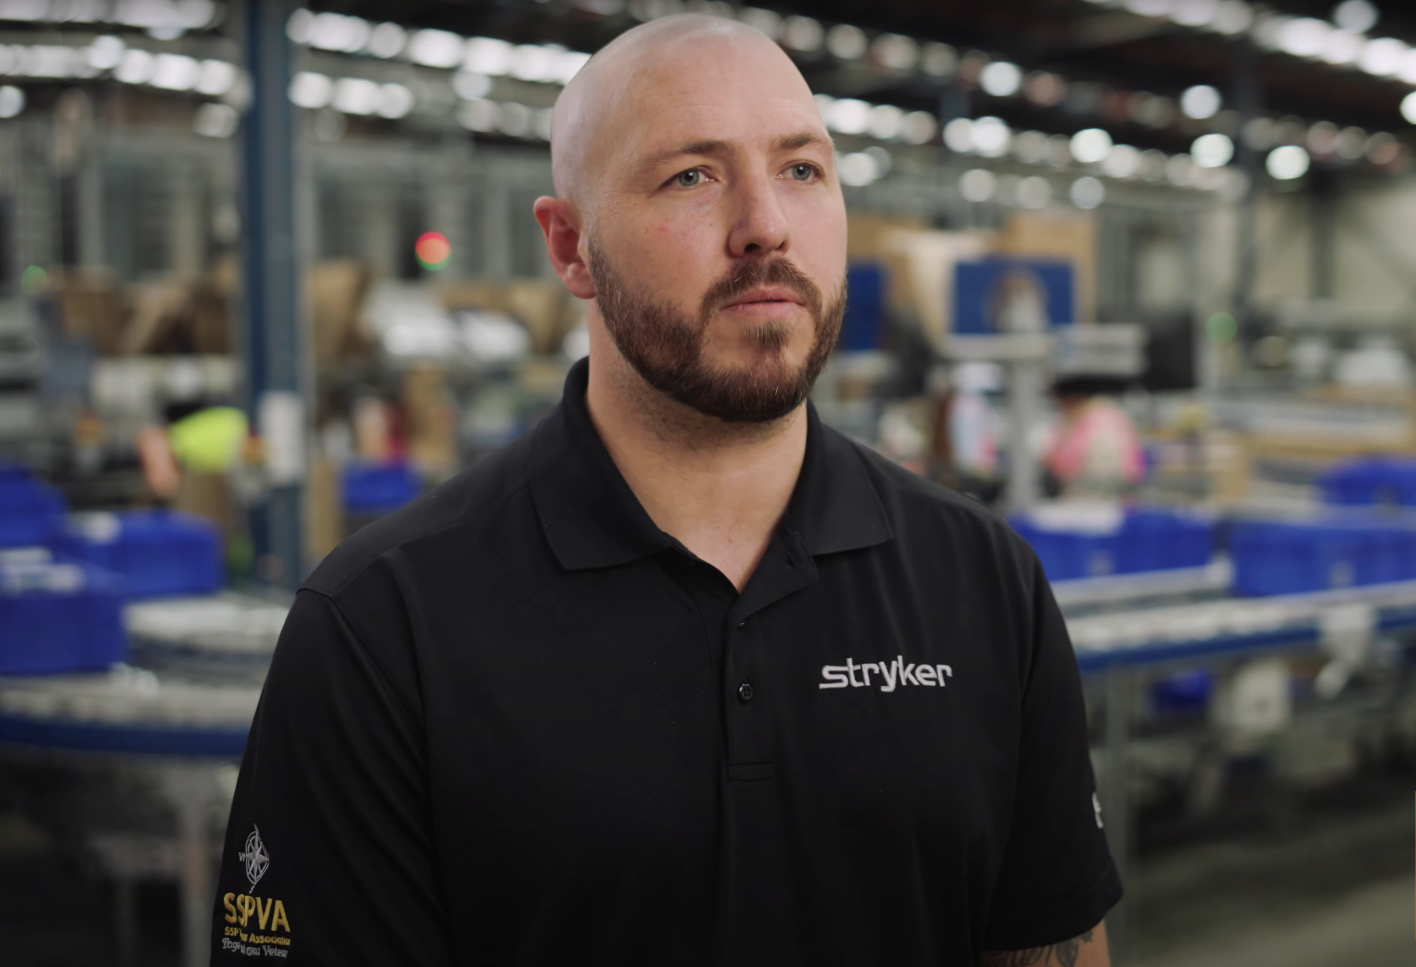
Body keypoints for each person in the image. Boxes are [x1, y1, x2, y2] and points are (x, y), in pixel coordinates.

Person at [211, 15, 1120, 966]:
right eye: (692, 175)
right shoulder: (380, 628)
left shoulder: (986, 582)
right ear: (570, 248)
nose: (765, 223)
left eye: (802, 169)